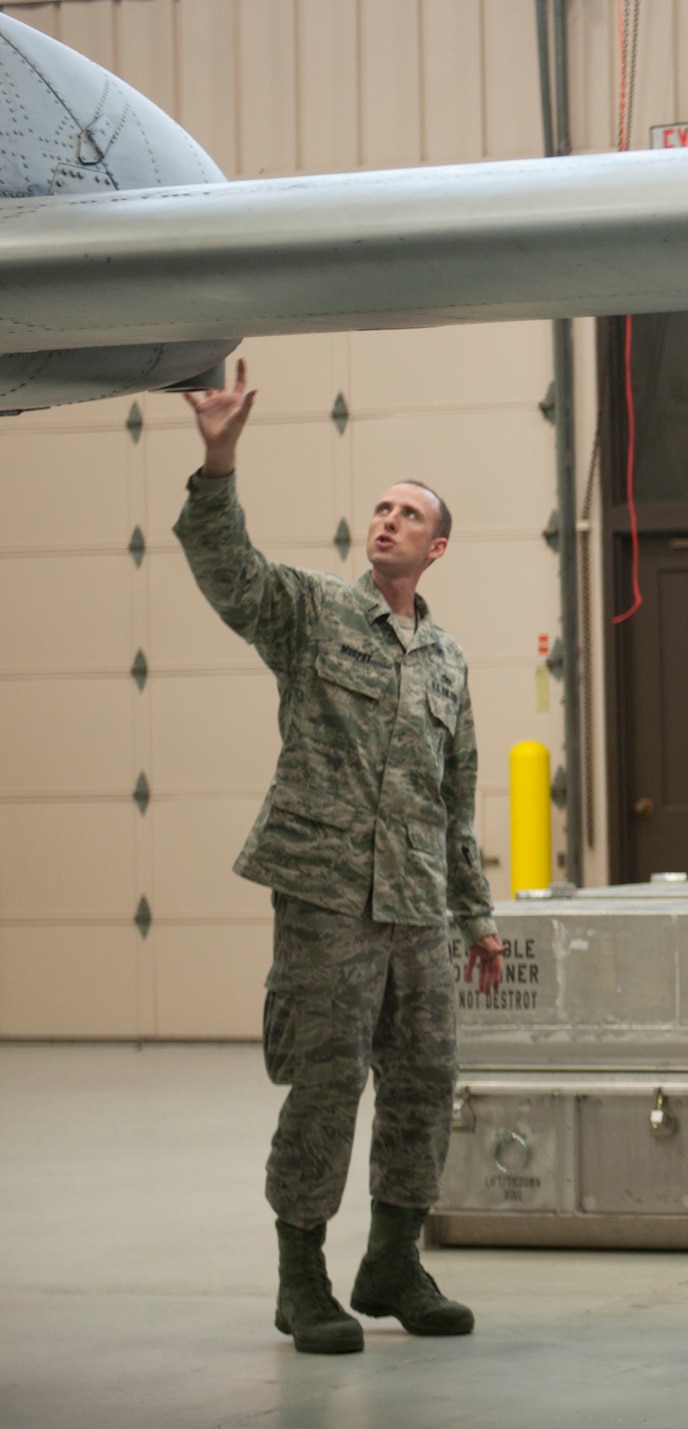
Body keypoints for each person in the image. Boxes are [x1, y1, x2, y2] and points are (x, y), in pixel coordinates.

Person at [176, 361, 506, 1356]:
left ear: (436, 546)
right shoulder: (314, 613)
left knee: (423, 1078)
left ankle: (393, 1260)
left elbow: (456, 800)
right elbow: (227, 568)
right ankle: (301, 1275)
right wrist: (219, 455)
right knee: (326, 1082)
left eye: (409, 513)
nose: (388, 520)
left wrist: (476, 916)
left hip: (418, 909)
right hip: (325, 894)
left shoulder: (446, 660)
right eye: (380, 506)